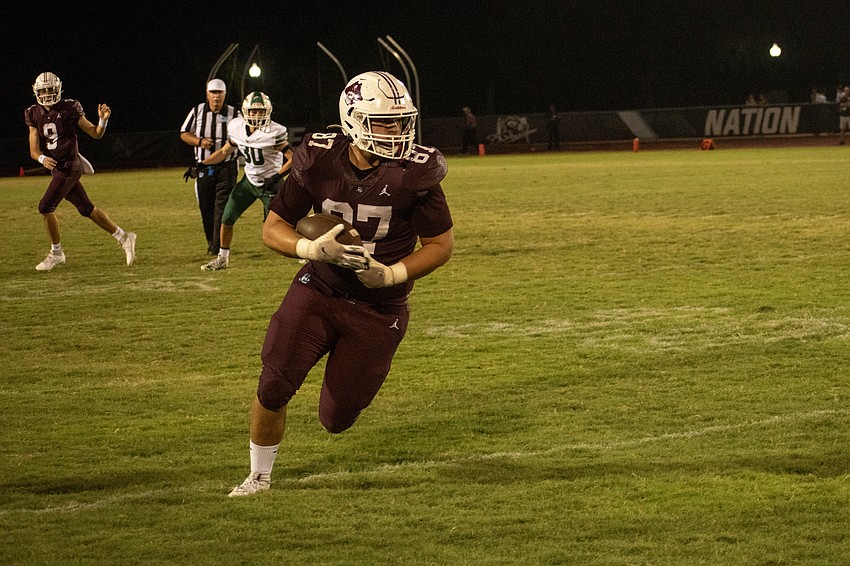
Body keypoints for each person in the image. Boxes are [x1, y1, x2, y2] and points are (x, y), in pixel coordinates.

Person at [228, 71, 454, 497]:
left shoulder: (414, 171)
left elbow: (441, 245)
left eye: (402, 121)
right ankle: (258, 476)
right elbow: (273, 227)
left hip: (380, 308)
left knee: (337, 418)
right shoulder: (318, 158)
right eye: (385, 122)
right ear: (352, 119)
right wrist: (310, 251)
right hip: (319, 288)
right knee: (274, 382)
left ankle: (335, 405)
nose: (398, 131)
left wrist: (390, 274)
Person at [25, 72, 136, 271]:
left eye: (51, 90)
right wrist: (42, 158)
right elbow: (34, 150)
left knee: (45, 207)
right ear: (36, 92)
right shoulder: (33, 113)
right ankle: (124, 237)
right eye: (44, 91)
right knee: (87, 209)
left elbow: (95, 133)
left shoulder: (69, 108)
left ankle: (57, 253)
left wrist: (103, 121)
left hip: (70, 166)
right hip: (57, 167)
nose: (48, 94)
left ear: (58, 89)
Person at [190, 91, 293, 271]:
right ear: (245, 111)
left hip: (271, 184)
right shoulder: (236, 127)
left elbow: (294, 159)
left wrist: (276, 177)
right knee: (227, 218)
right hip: (249, 182)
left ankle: (308, 254)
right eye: (253, 111)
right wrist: (202, 165)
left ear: (268, 112)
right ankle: (222, 258)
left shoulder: (274, 131)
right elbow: (224, 152)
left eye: (261, 111)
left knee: (280, 226)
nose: (257, 115)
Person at [180, 79, 240, 255]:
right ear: (207, 94)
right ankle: (212, 242)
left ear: (225, 94)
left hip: (227, 167)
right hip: (204, 168)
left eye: (219, 93)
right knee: (206, 207)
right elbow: (183, 132)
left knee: (221, 208)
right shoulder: (197, 111)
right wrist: (199, 142)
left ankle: (217, 247)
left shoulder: (235, 114)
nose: (216, 97)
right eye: (213, 93)